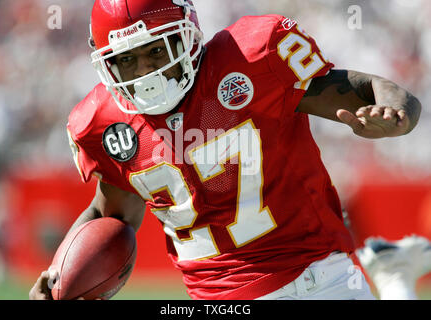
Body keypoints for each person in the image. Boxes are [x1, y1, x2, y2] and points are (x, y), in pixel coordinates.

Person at [29, 0, 423, 300]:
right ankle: (394, 277)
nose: (144, 72)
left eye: (157, 50)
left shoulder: (253, 59)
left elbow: (370, 90)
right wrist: (60, 270)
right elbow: (109, 213)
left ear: (186, 35)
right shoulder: (102, 122)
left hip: (316, 277)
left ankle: (393, 278)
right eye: (127, 60)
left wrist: (396, 114)